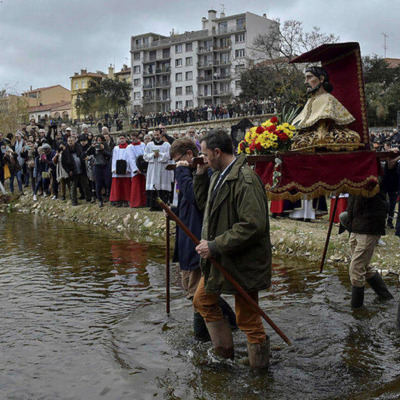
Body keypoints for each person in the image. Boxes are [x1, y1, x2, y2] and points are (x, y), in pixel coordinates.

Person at [192, 129, 272, 369]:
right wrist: (199, 175)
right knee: (203, 300)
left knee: (248, 319)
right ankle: (224, 356)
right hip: (222, 259)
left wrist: (216, 245)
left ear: (217, 152)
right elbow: (205, 204)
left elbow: (252, 225)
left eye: (205, 155)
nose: (203, 159)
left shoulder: (245, 179)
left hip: (242, 261)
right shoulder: (217, 174)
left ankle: (260, 371)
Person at [170, 138, 237, 341]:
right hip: (186, 235)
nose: (178, 163)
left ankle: (220, 328)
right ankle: (216, 328)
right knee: (191, 289)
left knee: (197, 292)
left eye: (179, 159)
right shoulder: (192, 172)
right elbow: (185, 200)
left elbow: (195, 197)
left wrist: (180, 171)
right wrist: (173, 211)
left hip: (197, 237)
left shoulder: (206, 172)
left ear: (190, 155)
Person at [345, 161, 395, 308]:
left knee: (357, 267)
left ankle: (357, 308)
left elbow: (388, 182)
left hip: (369, 226)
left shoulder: (377, 178)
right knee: (364, 266)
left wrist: (390, 167)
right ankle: (386, 298)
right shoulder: (355, 175)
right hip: (356, 224)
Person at [292, 66, 362, 152]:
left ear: (321, 79)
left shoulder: (328, 99)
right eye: (305, 78)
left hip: (326, 139)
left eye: (309, 77)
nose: (306, 82)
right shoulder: (310, 101)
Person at [143, 128, 173, 211]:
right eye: (155, 135)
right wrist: (153, 155)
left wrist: (159, 155)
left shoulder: (167, 145)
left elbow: (169, 156)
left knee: (162, 186)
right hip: (153, 168)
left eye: (158, 135)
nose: (156, 136)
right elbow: (145, 156)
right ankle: (153, 205)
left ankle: (162, 205)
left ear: (161, 135)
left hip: (163, 168)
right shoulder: (149, 145)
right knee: (153, 186)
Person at [61, 136, 91, 206]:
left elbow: (83, 156)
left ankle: (88, 198)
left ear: (74, 141)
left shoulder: (79, 148)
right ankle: (74, 201)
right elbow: (64, 163)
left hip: (81, 170)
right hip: (73, 171)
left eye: (71, 141)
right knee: (73, 187)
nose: (70, 142)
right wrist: (68, 171)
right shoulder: (65, 152)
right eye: (68, 141)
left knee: (85, 185)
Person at [83, 135, 112, 207]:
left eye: (100, 140)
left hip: (105, 166)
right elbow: (86, 153)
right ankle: (99, 200)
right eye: (97, 140)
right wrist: (91, 146)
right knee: (98, 184)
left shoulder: (105, 146)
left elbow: (109, 155)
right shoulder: (94, 148)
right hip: (97, 166)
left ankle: (110, 197)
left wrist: (103, 149)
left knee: (108, 182)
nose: (99, 142)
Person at [110, 133, 131, 207]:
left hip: (126, 169)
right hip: (117, 169)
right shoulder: (116, 148)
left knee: (125, 185)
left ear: (125, 139)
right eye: (120, 138)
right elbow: (114, 159)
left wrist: (127, 169)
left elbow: (129, 159)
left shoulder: (129, 147)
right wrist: (114, 169)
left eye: (123, 138)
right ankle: (118, 200)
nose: (121, 140)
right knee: (118, 185)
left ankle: (125, 200)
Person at [127, 132, 146, 208]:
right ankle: (136, 203)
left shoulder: (143, 145)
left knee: (144, 185)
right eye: (132, 138)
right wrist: (136, 169)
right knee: (136, 186)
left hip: (143, 167)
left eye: (134, 138)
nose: (133, 140)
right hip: (136, 169)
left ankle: (144, 202)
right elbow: (131, 159)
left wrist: (144, 167)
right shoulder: (129, 147)